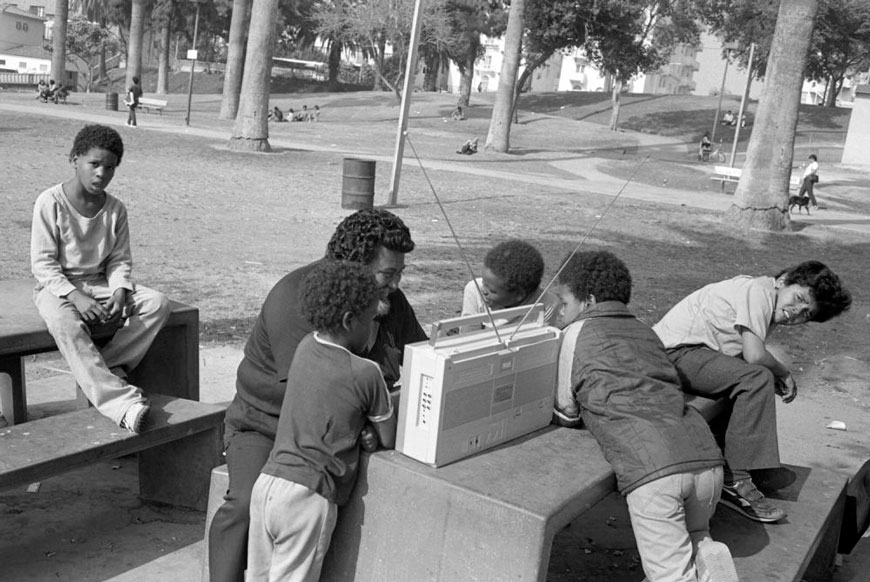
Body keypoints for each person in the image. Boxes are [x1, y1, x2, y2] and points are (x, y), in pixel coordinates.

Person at [208, 208, 428, 582]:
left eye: (400, 273)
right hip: (267, 430)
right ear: (356, 267)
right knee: (246, 503)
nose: (395, 284)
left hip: (343, 434)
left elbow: (424, 359)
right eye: (388, 274)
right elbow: (314, 395)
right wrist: (373, 422)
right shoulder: (298, 297)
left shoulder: (389, 302)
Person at [552, 250, 736, 582]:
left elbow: (567, 408)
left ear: (588, 301)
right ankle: (707, 552)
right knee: (693, 533)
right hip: (706, 462)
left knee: (670, 575)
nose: (560, 312)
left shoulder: (575, 335)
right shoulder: (646, 330)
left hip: (654, 472)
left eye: (564, 303)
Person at [653, 261, 851, 523]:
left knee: (753, 378)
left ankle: (744, 466)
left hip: (689, 358)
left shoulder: (767, 300)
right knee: (757, 376)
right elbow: (755, 355)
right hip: (671, 355)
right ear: (784, 280)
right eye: (799, 298)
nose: (796, 312)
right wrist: (783, 372)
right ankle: (735, 478)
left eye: (806, 313)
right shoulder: (759, 292)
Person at [246, 260, 396, 582]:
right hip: (308, 497)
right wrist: (368, 431)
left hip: (267, 485)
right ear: (348, 320)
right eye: (371, 319)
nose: (373, 327)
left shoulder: (304, 346)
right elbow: (389, 436)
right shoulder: (366, 373)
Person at [30, 124, 171, 434]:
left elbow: (119, 259)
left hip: (102, 284)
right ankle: (123, 405)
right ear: (75, 159)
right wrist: (75, 296)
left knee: (157, 303)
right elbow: (43, 264)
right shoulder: (50, 202)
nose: (101, 174)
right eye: (94, 164)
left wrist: (120, 288)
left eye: (110, 167)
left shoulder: (115, 209)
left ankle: (94, 370)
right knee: (66, 324)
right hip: (57, 287)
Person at [460, 239, 560, 331]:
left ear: (518, 295)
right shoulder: (474, 290)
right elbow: (467, 336)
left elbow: (541, 342)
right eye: (483, 283)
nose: (483, 290)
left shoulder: (546, 304)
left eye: (492, 291)